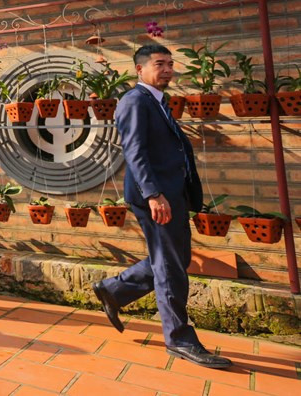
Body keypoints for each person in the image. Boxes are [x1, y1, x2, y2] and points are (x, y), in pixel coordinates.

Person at [91, 44, 232, 369]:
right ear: (140, 69)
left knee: (175, 258)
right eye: (159, 63)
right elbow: (135, 151)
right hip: (156, 197)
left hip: (171, 194)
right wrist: (154, 194)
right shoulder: (135, 101)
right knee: (170, 266)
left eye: (170, 63)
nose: (168, 69)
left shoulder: (157, 101)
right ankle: (180, 339)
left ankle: (114, 289)